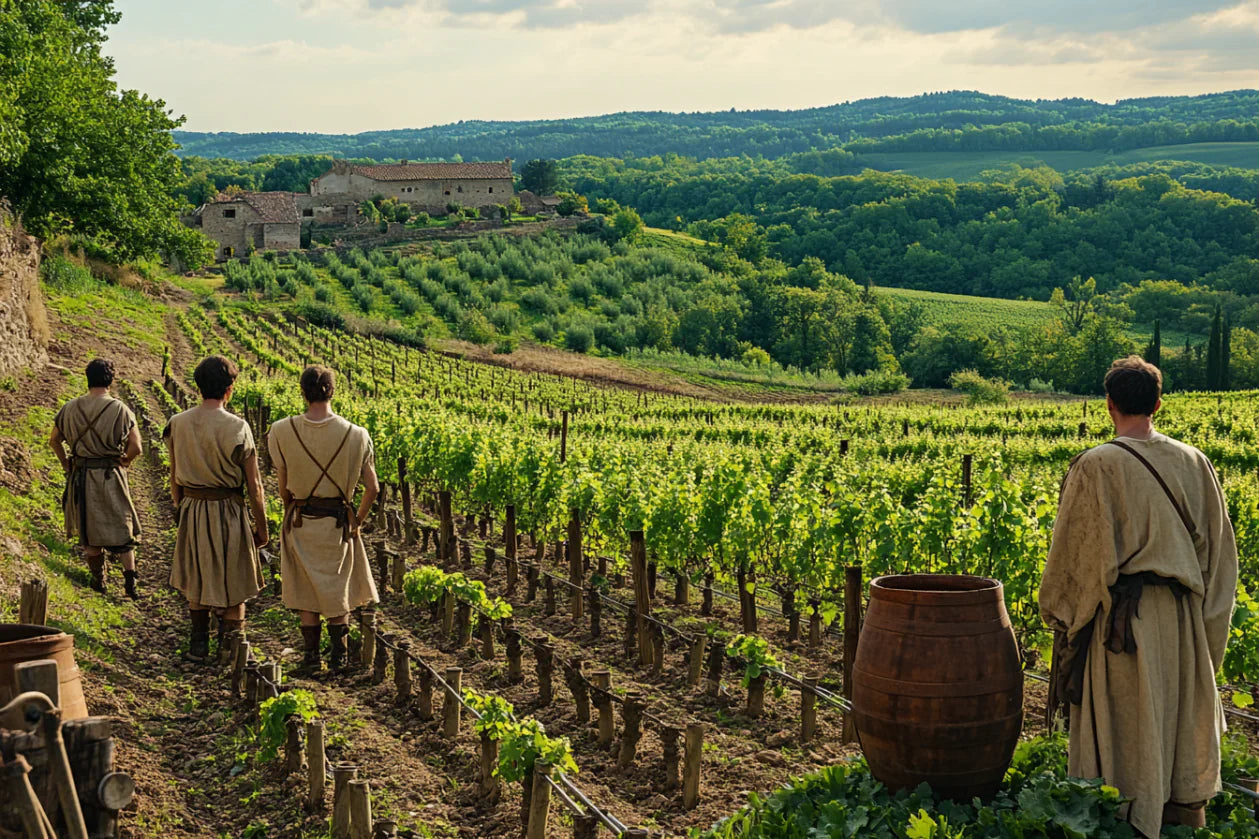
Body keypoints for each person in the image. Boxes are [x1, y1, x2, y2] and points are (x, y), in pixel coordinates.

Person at [1041, 356, 1237, 837]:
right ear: (1159, 403)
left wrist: (1065, 621)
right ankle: (1176, 818)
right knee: (1175, 721)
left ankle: (1128, 822)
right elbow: (1220, 561)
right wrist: (1207, 637)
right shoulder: (1196, 461)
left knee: (1129, 732)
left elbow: (1076, 563)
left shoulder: (1096, 464)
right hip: (1185, 620)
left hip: (1124, 628)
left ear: (1109, 404)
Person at [268, 365, 379, 674]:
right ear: (333, 391)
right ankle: (340, 657)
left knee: (306, 588)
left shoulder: (280, 430)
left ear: (302, 392)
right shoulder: (357, 435)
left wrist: (292, 505)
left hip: (302, 518)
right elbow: (373, 487)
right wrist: (356, 519)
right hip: (338, 522)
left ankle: (311, 658)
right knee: (337, 587)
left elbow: (283, 483)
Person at [165, 356, 268, 662]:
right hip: (229, 510)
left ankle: (198, 644)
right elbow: (255, 485)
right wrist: (262, 528)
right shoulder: (238, 427)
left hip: (193, 507)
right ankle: (230, 648)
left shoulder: (177, 423)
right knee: (234, 579)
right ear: (230, 388)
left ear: (198, 387)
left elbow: (174, 476)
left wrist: (180, 508)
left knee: (197, 574)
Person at [49, 358, 143, 598]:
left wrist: (66, 463)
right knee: (122, 526)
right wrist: (126, 460)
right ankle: (130, 579)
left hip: (81, 475)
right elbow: (136, 447)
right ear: (110, 381)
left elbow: (54, 440)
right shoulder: (121, 409)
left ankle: (98, 580)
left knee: (88, 529)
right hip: (111, 475)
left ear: (87, 378)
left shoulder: (70, 407)